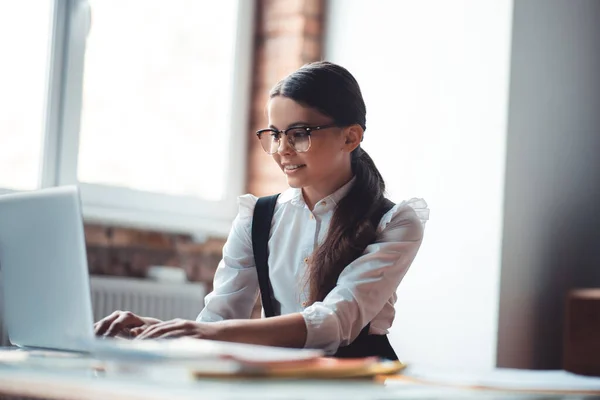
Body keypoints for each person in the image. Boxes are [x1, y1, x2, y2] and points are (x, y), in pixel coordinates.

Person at [94, 61, 429, 359]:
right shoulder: (257, 217)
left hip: (357, 386)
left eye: (299, 134)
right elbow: (216, 323)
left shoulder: (395, 222)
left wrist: (204, 332)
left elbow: (335, 322)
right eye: (274, 134)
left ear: (351, 137)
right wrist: (152, 330)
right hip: (279, 381)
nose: (281, 149)